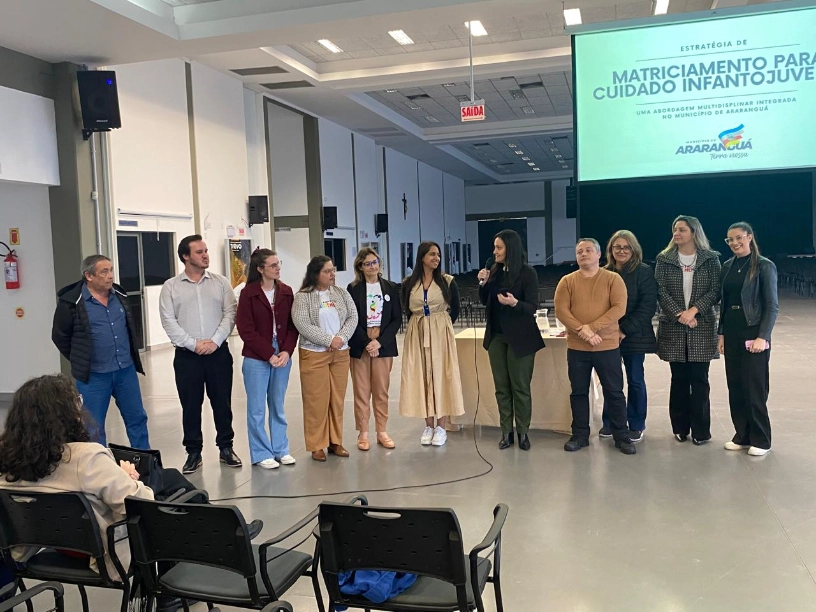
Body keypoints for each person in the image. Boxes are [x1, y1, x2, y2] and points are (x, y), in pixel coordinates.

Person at [0, 374, 261, 612]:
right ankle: (217, 539)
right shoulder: (85, 458)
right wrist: (128, 477)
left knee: (168, 479)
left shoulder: (8, 460)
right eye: (76, 402)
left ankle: (212, 533)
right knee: (170, 493)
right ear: (64, 415)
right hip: (97, 551)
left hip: (45, 544)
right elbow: (139, 504)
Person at [159, 235, 240, 474]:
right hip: (187, 357)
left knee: (222, 404)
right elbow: (168, 321)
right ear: (185, 256)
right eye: (199, 252)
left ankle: (226, 448)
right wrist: (193, 344)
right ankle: (193, 452)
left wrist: (214, 342)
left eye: (206, 250)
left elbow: (230, 314)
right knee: (191, 406)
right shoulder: (171, 287)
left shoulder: (221, 283)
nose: (206, 255)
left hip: (218, 354)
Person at [51, 255, 150, 449]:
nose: (110, 276)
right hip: (94, 376)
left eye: (111, 270)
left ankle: (146, 465)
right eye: (104, 271)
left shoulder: (120, 295)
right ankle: (98, 469)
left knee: (137, 419)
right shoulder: (71, 302)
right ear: (88, 275)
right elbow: (60, 336)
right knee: (92, 427)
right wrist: (80, 358)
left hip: (125, 371)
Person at [554, 238, 636, 455]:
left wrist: (592, 328)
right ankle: (580, 435)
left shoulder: (612, 279)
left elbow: (619, 308)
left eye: (588, 250)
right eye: (579, 251)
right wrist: (583, 330)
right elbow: (562, 311)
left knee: (614, 392)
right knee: (579, 392)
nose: (583, 254)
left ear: (599, 255)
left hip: (607, 346)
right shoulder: (567, 281)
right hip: (577, 348)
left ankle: (622, 435)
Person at [655, 215, 721, 445]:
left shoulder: (711, 259)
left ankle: (701, 431)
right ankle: (680, 427)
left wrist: (693, 311)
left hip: (701, 325)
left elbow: (715, 290)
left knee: (700, 380)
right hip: (674, 326)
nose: (676, 233)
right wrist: (680, 314)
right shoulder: (664, 259)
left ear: (694, 232)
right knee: (679, 379)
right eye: (674, 229)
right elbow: (661, 291)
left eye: (682, 229)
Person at [477, 230, 544, 451]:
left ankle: (523, 432)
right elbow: (485, 300)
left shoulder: (527, 273)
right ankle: (506, 432)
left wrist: (515, 303)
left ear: (510, 249)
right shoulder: (495, 272)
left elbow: (532, 307)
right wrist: (483, 283)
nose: (494, 252)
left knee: (520, 387)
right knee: (501, 387)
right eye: (495, 247)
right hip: (496, 337)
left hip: (521, 337)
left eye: (499, 247)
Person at [718, 222, 778, 456]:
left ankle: (761, 439)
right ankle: (742, 435)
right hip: (732, 331)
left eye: (738, 238)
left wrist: (763, 337)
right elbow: (724, 303)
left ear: (749, 237)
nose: (734, 243)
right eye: (729, 240)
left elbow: (771, 306)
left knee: (754, 387)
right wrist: (721, 332)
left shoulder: (764, 266)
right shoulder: (727, 266)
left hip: (753, 332)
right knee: (735, 385)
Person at [236, 249, 299, 469]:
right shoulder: (248, 293)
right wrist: (268, 354)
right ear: (260, 269)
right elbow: (245, 329)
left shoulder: (287, 292)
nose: (278, 268)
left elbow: (293, 326)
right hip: (256, 356)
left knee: (277, 404)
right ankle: (261, 452)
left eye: (278, 263)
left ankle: (281, 449)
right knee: (256, 408)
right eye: (272, 265)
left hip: (282, 353)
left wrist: (286, 351)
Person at [292, 256, 358, 462]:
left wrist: (341, 338)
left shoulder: (341, 293)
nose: (332, 274)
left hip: (340, 354)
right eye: (327, 271)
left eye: (333, 270)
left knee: (336, 400)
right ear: (315, 274)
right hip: (314, 353)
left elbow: (352, 317)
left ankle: (335, 442)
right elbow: (302, 324)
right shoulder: (303, 297)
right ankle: (317, 445)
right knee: (316, 401)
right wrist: (329, 339)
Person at [399, 241, 465, 446]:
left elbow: (455, 308)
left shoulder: (447, 281)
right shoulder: (409, 282)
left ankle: (441, 426)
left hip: (440, 331)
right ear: (422, 258)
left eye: (438, 255)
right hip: (417, 331)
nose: (436, 258)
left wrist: (440, 325)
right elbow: (407, 309)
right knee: (422, 375)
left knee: (441, 375)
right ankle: (428, 424)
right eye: (432, 255)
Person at [599, 230, 658, 443]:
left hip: (634, 336)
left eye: (626, 247)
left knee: (635, 380)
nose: (621, 251)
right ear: (611, 251)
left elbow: (647, 306)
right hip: (608, 336)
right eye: (617, 247)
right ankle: (611, 421)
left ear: (634, 250)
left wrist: (623, 330)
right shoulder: (603, 272)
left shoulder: (644, 272)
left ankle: (636, 424)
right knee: (611, 381)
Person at [347, 247, 402, 451]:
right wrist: (366, 343)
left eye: (375, 262)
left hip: (383, 342)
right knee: (361, 391)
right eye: (368, 263)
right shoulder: (353, 289)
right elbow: (350, 318)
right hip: (361, 341)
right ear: (360, 267)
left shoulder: (390, 288)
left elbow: (397, 318)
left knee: (381, 390)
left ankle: (382, 430)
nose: (373, 266)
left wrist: (379, 342)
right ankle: (363, 433)